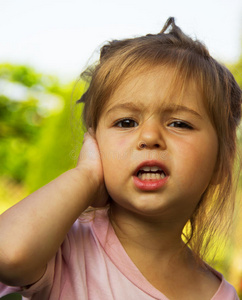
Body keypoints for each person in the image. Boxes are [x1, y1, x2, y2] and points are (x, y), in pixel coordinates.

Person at [0, 17, 241, 300]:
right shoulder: (64, 248)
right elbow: (8, 254)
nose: (150, 136)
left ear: (221, 163)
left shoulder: (222, 295)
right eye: (126, 122)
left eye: (179, 123)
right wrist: (86, 176)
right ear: (94, 145)